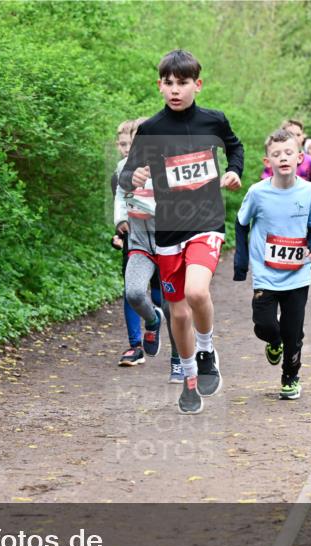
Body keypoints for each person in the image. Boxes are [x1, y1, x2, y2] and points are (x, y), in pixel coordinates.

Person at [119, 49, 244, 414]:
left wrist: (234, 170)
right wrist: (134, 176)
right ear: (160, 86)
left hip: (206, 222)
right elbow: (127, 175)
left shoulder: (213, 121)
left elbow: (234, 147)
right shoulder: (151, 129)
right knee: (178, 314)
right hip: (168, 231)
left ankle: (206, 349)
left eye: (183, 83)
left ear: (197, 85)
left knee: (196, 291)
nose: (175, 90)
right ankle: (190, 379)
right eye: (168, 83)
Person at [233, 130, 311, 399]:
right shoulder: (257, 193)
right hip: (265, 273)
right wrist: (241, 261)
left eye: (288, 153)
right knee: (265, 325)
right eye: (276, 154)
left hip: (298, 273)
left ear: (300, 157)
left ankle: (290, 377)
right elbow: (241, 223)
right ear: (267, 161)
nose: (283, 158)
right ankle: (273, 342)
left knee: (293, 331)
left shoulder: (309, 191)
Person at [114, 118, 184, 382]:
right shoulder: (124, 167)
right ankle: (151, 321)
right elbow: (121, 194)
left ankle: (178, 360)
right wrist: (120, 220)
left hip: (170, 242)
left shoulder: (175, 167)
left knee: (172, 305)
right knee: (133, 292)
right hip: (140, 241)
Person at [112, 120, 147, 366]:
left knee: (160, 292)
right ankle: (135, 345)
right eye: (123, 144)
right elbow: (119, 201)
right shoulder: (121, 171)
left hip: (162, 236)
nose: (128, 148)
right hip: (132, 236)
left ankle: (175, 347)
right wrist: (119, 225)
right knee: (131, 289)